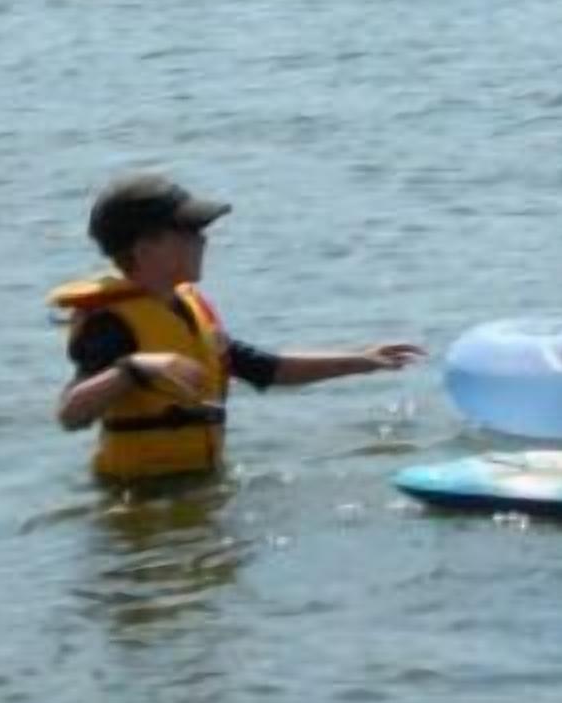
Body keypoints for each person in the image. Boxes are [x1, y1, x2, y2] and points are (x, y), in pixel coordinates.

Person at [51, 174, 424, 484]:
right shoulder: (112, 324)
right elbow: (71, 414)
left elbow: (269, 368)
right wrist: (133, 368)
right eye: (189, 230)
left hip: (199, 487)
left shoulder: (188, 310)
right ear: (145, 246)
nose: (203, 239)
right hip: (138, 496)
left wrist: (363, 359)